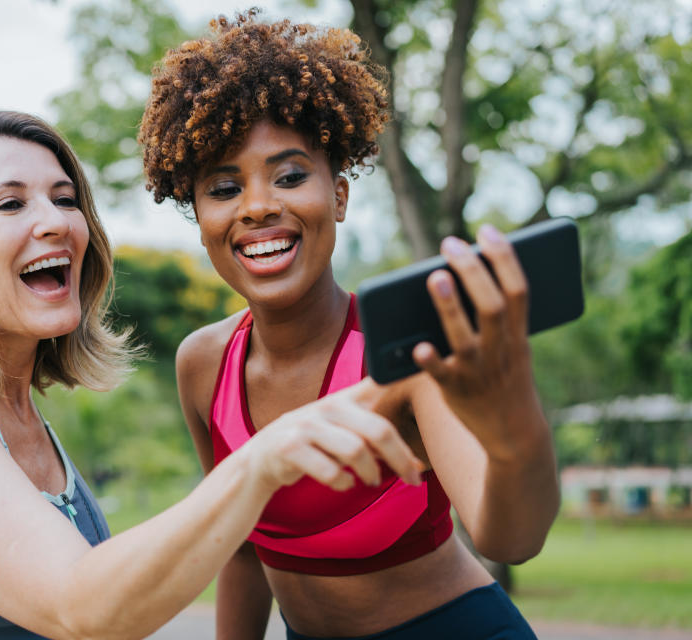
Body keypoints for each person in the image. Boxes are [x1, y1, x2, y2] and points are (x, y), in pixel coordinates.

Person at [0, 110, 426, 639]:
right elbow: (81, 607)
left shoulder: (18, 417)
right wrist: (260, 462)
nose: (57, 221)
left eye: (65, 199)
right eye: (10, 204)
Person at [138, 12, 558, 640]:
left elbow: (513, 538)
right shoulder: (202, 363)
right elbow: (242, 546)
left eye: (289, 176)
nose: (257, 206)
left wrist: (514, 413)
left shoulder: (404, 353)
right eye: (224, 188)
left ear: (337, 193)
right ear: (198, 215)